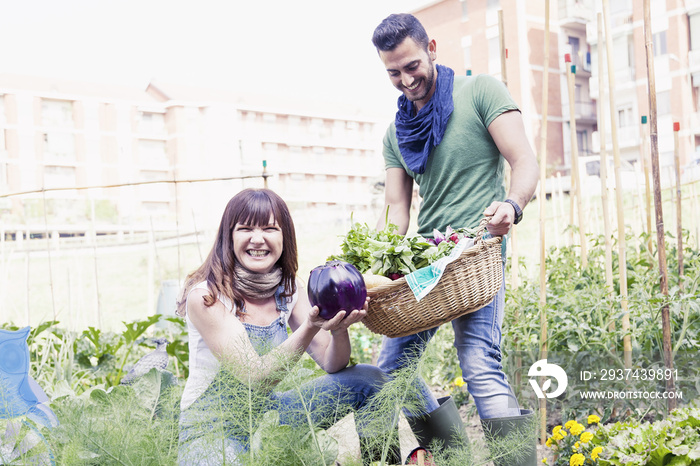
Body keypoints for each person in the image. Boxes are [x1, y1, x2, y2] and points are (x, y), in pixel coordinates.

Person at [371, 13, 540, 464]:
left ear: (431, 47)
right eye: (393, 73)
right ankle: (453, 458)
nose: (406, 80)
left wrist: (513, 205)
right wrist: (372, 262)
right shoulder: (397, 133)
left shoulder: (481, 91)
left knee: (480, 363)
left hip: (475, 252)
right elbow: (397, 212)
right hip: (427, 265)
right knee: (390, 369)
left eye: (411, 66)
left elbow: (524, 160)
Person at [176, 188, 400, 466]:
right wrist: (309, 326)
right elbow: (255, 377)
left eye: (270, 228)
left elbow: (333, 363)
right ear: (228, 237)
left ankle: (382, 463)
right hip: (212, 429)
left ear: (284, 237)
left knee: (370, 381)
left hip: (270, 415)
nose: (257, 239)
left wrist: (338, 330)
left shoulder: (288, 288)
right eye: (245, 228)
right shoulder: (207, 297)